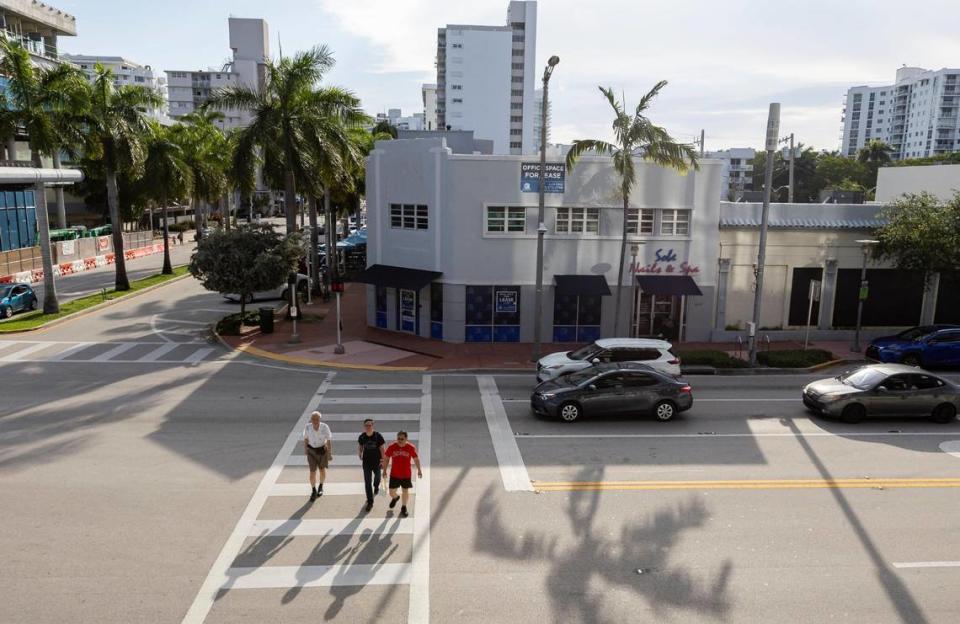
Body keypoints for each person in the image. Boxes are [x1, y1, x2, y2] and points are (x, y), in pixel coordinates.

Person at [382, 431, 422, 518]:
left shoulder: (411, 447)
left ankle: (404, 507)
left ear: (406, 439)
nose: (399, 440)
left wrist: (419, 470)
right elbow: (386, 459)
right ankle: (395, 498)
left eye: (402, 439)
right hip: (394, 474)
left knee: (405, 491)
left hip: (406, 474)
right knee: (391, 492)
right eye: (398, 438)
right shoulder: (392, 447)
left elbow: (416, 459)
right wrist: (384, 470)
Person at [302, 411, 332, 501]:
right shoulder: (307, 427)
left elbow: (329, 440)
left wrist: (329, 453)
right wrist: (305, 450)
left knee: (322, 470)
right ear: (311, 419)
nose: (315, 420)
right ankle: (313, 490)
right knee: (312, 472)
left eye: (317, 419)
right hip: (311, 451)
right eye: (313, 419)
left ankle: (321, 486)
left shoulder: (325, 427)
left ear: (320, 419)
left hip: (322, 451)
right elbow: (306, 439)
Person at [357, 419, 386, 512]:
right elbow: (360, 446)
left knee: (377, 477)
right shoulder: (362, 436)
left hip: (377, 461)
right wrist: (359, 453)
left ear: (373, 426)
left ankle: (376, 486)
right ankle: (370, 501)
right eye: (366, 425)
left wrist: (382, 460)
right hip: (366, 462)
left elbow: (382, 448)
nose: (368, 427)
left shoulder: (378, 436)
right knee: (367, 482)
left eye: (369, 425)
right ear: (364, 426)